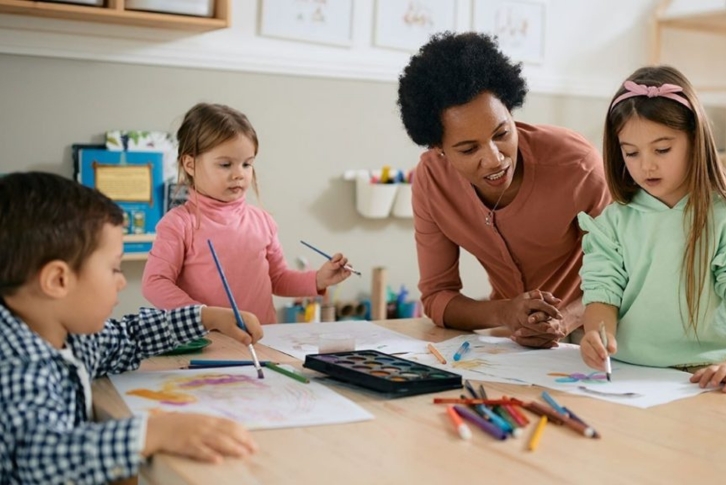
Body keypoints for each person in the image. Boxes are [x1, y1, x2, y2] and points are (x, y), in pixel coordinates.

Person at [0, 172, 262, 484]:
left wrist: (205, 317)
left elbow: (130, 336)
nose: (122, 281)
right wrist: (151, 433)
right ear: (58, 280)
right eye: (113, 268)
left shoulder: (69, 337)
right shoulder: (17, 366)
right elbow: (40, 456)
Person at [396, 32, 610, 348]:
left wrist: (563, 321)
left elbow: (625, 274)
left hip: (597, 330)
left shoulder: (576, 165)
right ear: (438, 148)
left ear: (510, 109)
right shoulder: (432, 181)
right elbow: (438, 297)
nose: (495, 159)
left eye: (501, 133)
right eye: (469, 149)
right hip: (513, 340)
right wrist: (505, 313)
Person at [578, 65, 726, 392]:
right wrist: (597, 337)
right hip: (630, 371)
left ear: (694, 139)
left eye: (662, 150)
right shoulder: (613, 223)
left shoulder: (721, 217)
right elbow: (602, 292)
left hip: (709, 372)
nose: (646, 165)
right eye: (631, 153)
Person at [142, 103, 352, 324]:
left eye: (247, 164)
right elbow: (154, 282)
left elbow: (277, 279)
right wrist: (204, 316)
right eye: (225, 164)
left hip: (262, 341)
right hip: (209, 346)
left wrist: (319, 279)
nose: (239, 174)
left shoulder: (263, 221)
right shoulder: (178, 224)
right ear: (190, 164)